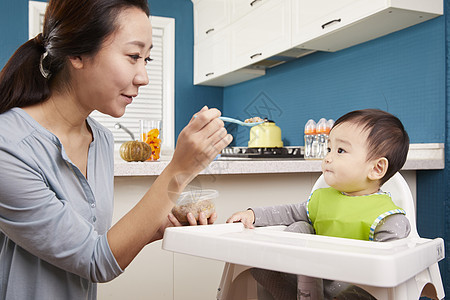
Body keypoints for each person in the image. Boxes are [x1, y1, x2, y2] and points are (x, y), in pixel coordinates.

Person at [0, 0, 232, 299]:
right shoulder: (8, 147)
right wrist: (180, 170)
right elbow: (94, 260)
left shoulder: (100, 139)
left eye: (146, 60)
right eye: (133, 56)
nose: (143, 77)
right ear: (77, 53)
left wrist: (161, 221)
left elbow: (91, 241)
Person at [227, 109, 411, 300]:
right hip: (307, 281)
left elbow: (390, 270)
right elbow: (289, 212)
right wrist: (253, 215)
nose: (328, 157)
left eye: (340, 151)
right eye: (328, 149)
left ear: (376, 168)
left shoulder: (388, 218)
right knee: (297, 229)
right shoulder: (322, 198)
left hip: (354, 290)